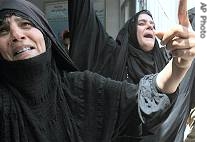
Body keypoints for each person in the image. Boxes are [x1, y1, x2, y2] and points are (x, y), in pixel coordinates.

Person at [0, 0, 194, 142]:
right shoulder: (113, 54)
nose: (17, 35)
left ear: (45, 35)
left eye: (26, 24)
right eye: (3, 30)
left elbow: (140, 100)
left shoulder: (79, 88)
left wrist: (179, 67)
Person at [68, 0, 195, 141]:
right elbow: (86, 25)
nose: (149, 26)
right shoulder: (113, 57)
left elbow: (184, 61)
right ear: (131, 31)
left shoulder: (166, 61)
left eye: (153, 25)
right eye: (142, 23)